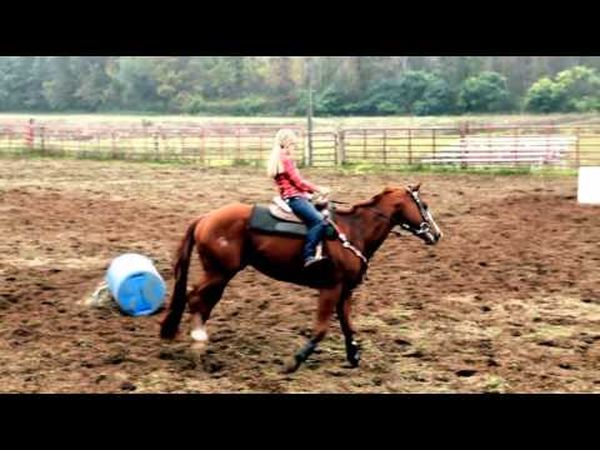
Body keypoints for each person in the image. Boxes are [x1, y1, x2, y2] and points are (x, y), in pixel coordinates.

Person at [267, 129, 330, 268]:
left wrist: (309, 194)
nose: (294, 147)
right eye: (294, 144)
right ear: (287, 143)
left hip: (291, 196)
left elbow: (290, 184)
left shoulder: (278, 158)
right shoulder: (286, 159)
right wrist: (319, 189)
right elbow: (298, 181)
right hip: (295, 198)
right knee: (319, 221)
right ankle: (308, 256)